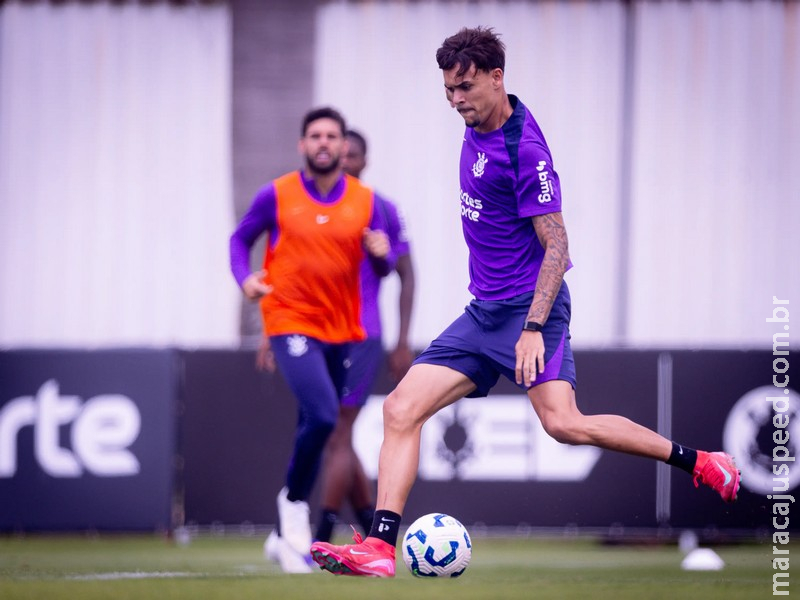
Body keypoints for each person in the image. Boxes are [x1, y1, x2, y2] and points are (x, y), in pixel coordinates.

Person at [310, 26, 741, 578]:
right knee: (398, 409)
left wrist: (533, 326)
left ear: (497, 78)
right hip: (483, 312)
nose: (456, 99)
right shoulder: (476, 121)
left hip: (531, 312)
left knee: (562, 424)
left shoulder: (526, 151)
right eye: (448, 90)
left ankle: (703, 462)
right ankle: (380, 548)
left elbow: (558, 248)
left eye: (465, 87)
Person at [229, 107, 391, 574]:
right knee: (323, 416)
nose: (324, 143)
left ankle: (283, 534)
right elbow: (240, 240)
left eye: (332, 136)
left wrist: (380, 256)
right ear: (303, 144)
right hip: (289, 320)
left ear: (344, 146)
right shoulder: (276, 194)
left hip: (342, 329)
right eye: (315, 135)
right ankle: (295, 507)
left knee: (315, 423)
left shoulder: (366, 200)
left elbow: (379, 269)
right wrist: (245, 280)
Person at [312, 129, 416, 544]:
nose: (345, 160)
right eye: (341, 153)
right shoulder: (315, 208)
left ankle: (318, 534)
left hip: (360, 333)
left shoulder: (380, 207)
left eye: (353, 154)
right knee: (332, 431)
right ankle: (373, 523)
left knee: (336, 432)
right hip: (318, 334)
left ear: (364, 161)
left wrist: (403, 340)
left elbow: (406, 273)